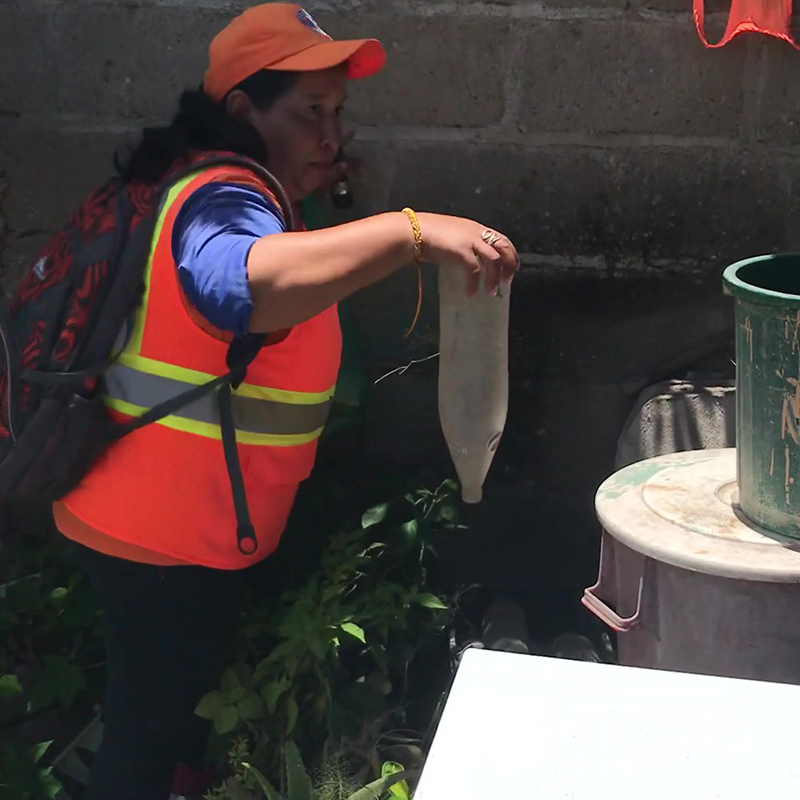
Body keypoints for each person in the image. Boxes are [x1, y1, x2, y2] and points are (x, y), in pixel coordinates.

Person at [50, 4, 519, 798]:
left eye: (337, 112)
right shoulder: (222, 198)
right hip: (158, 533)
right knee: (143, 740)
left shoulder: (210, 185)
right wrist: (410, 230)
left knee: (173, 725)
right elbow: (240, 285)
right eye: (309, 112)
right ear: (242, 111)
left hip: (164, 522)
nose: (331, 137)